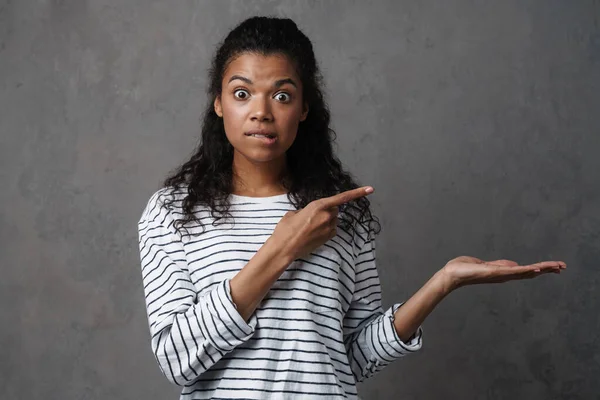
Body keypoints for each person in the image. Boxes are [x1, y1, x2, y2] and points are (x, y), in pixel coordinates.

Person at [137, 16, 566, 399]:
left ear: (304, 108)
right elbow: (177, 361)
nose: (262, 113)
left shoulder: (340, 214)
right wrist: (280, 249)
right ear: (218, 103)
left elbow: (353, 359)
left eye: (282, 96)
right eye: (242, 93)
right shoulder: (173, 213)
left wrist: (443, 282)